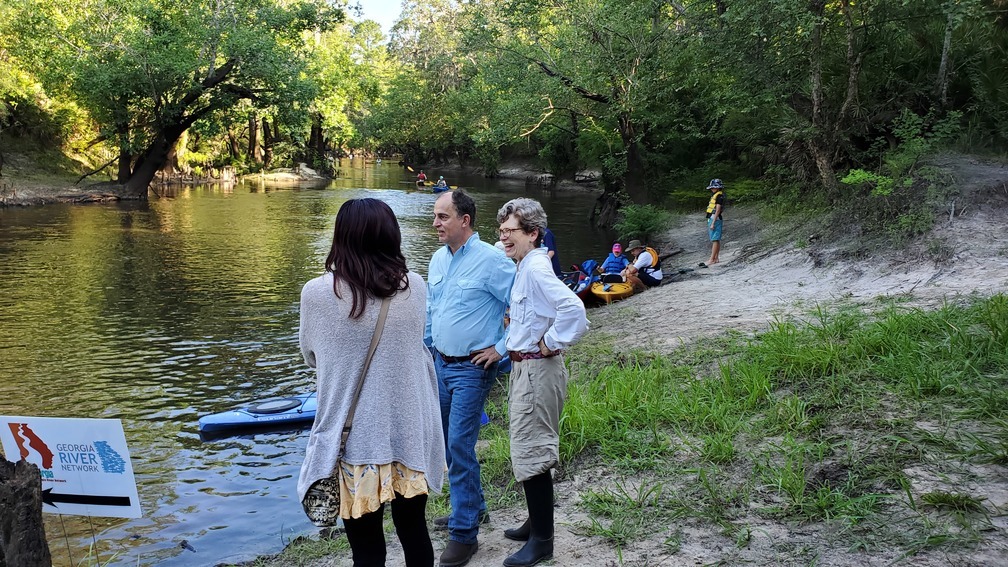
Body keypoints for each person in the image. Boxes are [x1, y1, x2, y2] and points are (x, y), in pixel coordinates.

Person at [298, 198, 446, 567]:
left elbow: (311, 356)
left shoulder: (317, 293)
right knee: (414, 532)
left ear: (341, 237)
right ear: (391, 236)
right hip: (409, 430)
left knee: (366, 550)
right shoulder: (415, 286)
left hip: (356, 439)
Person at [496, 198, 589, 567]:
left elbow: (574, 310)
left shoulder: (535, 268)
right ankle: (535, 521)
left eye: (510, 231)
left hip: (537, 370)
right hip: (528, 369)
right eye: (501, 231)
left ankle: (542, 542)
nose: (503, 237)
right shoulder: (527, 262)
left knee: (532, 451)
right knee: (529, 445)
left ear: (533, 234)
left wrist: (550, 342)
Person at [425, 190, 516, 567]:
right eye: (435, 216)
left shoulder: (493, 261)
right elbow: (432, 309)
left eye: (443, 217)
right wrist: (426, 348)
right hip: (439, 364)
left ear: (465, 220)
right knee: (449, 443)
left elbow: (526, 304)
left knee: (460, 446)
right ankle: (473, 508)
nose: (435, 224)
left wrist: (502, 347)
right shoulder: (436, 259)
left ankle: (464, 535)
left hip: (472, 368)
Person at [702, 178, 725, 267]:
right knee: (716, 239)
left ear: (717, 188)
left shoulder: (719, 196)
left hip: (715, 219)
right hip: (713, 218)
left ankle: (711, 259)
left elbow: (718, 210)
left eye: (713, 187)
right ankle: (716, 258)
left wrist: (713, 222)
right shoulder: (717, 195)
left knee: (715, 239)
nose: (711, 189)